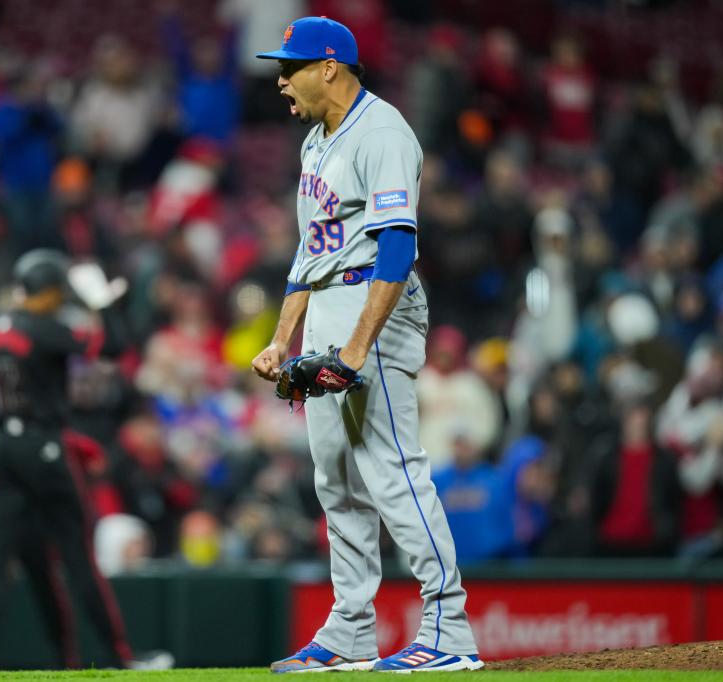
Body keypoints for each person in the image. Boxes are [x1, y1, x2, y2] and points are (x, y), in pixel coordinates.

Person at [250, 17, 483, 673]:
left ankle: (449, 629)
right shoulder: (315, 144)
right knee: (337, 481)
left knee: (390, 469)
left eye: (290, 66)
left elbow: (398, 246)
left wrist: (355, 348)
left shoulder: (382, 132)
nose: (279, 79)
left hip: (372, 307)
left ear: (330, 66)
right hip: (328, 302)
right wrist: (281, 338)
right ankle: (351, 629)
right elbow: (309, 249)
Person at [0, 250, 171, 670]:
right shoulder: (46, 328)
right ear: (49, 290)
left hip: (0, 447)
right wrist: (104, 304)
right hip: (44, 446)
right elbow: (113, 348)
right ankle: (118, 655)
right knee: (78, 557)